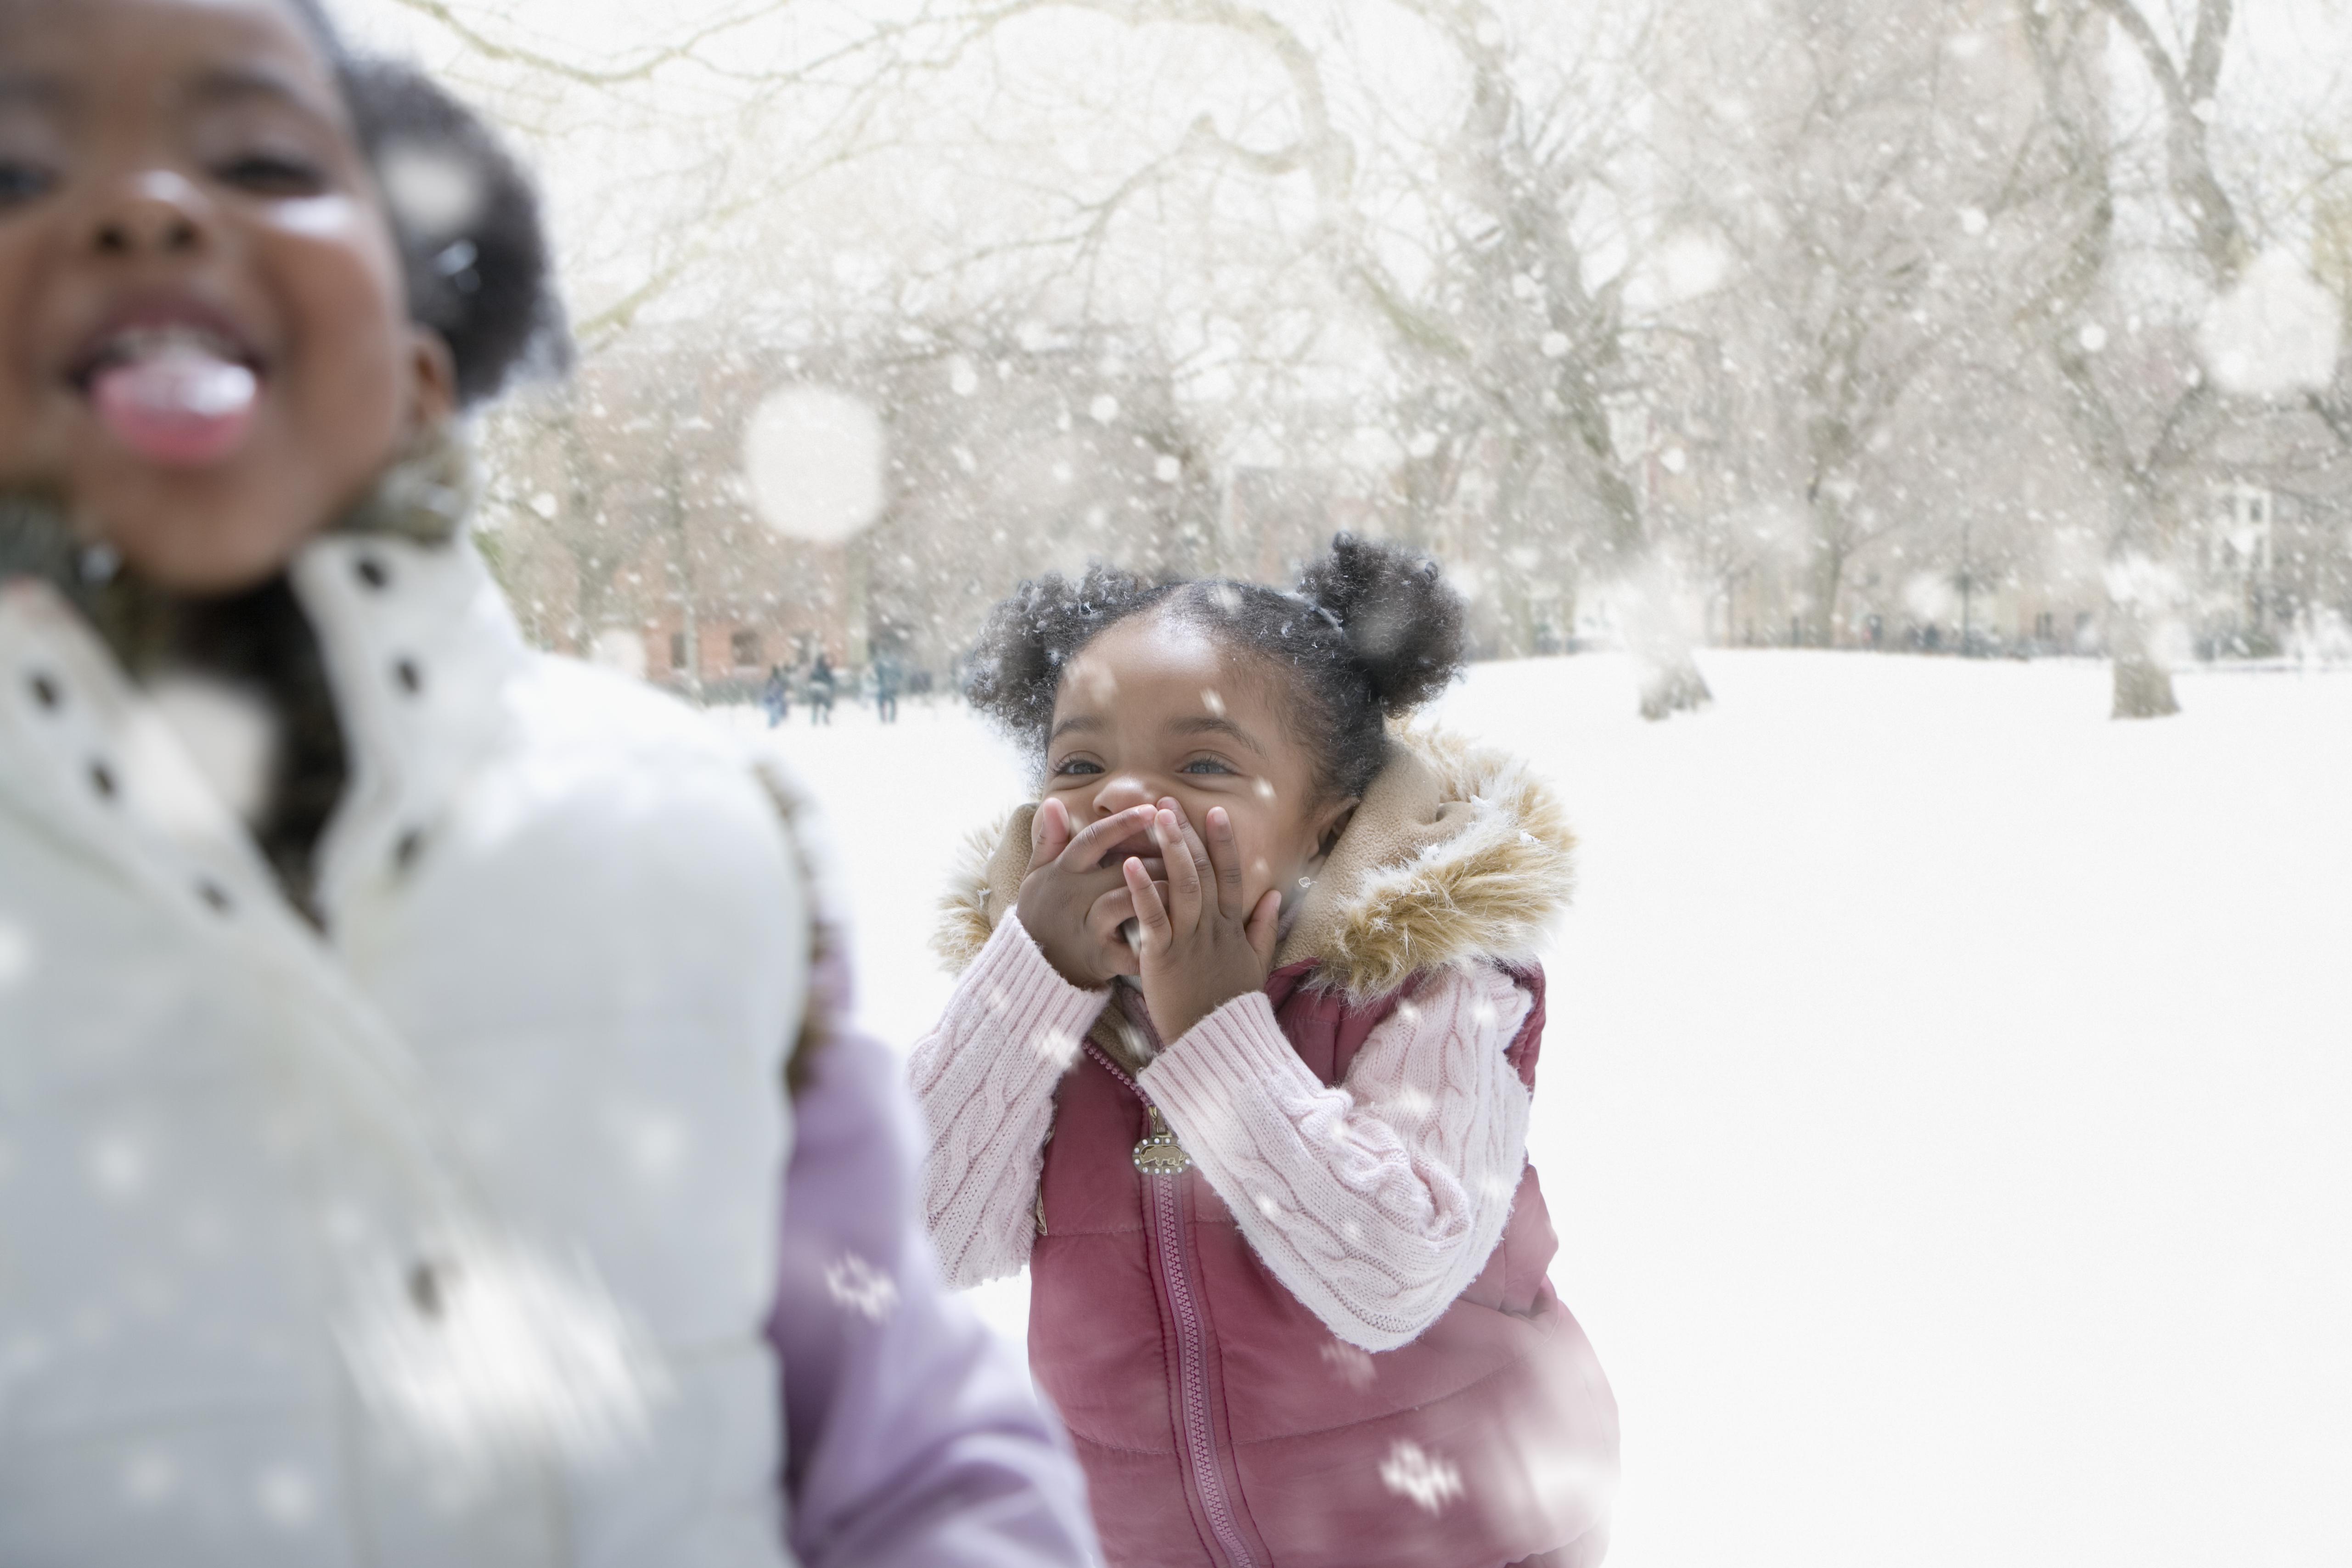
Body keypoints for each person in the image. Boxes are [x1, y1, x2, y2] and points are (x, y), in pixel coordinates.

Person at [0, 2, 1100, 1562]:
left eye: (256, 154)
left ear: (419, 373)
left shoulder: (697, 834)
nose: (146, 205)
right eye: (12, 173)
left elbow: (893, 1417)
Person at [912, 535, 1618, 1568]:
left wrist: (1213, 1035)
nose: (1120, 797)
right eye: (1080, 763)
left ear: (1323, 827)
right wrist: (1034, 983)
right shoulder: (1045, 1004)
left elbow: (1393, 1272)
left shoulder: (1430, 989)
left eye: (1201, 763)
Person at [873, 650, 900, 724]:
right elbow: (900, 674)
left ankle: (883, 718)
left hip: (884, 686)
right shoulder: (895, 662)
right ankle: (892, 718)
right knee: (893, 702)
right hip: (893, 686)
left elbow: (877, 673)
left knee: (882, 703)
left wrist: (880, 681)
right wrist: (896, 681)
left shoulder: (881, 661)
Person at [808, 649, 835, 725]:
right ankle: (825, 718)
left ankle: (814, 720)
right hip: (823, 688)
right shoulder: (826, 668)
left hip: (814, 688)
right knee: (826, 704)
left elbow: (811, 678)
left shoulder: (815, 669)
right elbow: (830, 679)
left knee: (815, 705)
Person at [764, 660, 790, 727]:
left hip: (773, 697)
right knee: (777, 709)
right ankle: (776, 722)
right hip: (777, 697)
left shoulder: (772, 679)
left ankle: (773, 723)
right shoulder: (780, 679)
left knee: (774, 711)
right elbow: (783, 687)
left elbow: (768, 688)